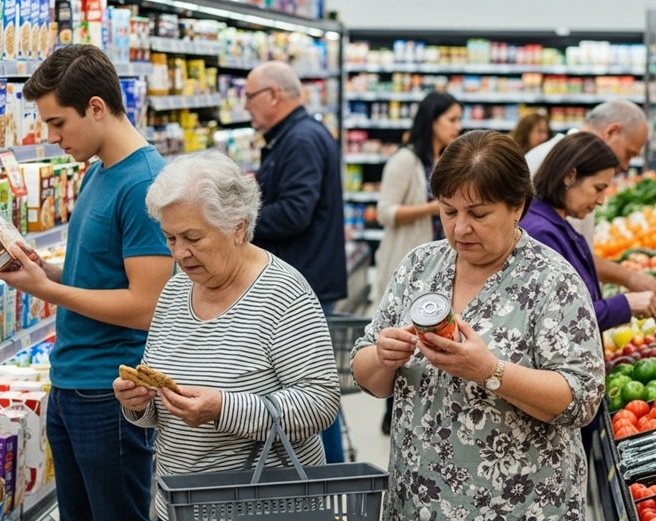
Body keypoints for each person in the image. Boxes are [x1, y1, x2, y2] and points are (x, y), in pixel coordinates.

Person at [352, 130, 604, 519]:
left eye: (478, 214)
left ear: (517, 206)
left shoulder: (553, 282)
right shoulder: (419, 266)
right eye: (449, 211)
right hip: (419, 501)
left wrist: (490, 371)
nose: (460, 229)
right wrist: (383, 356)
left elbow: (581, 399)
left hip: (519, 505)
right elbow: (365, 372)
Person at [0, 45, 175, 521]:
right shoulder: (98, 172)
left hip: (111, 392)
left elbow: (146, 306)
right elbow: (96, 276)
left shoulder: (145, 185)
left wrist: (45, 290)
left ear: (95, 107)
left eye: (57, 122)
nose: (51, 137)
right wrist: (41, 270)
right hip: (70, 383)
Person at [112, 150, 340, 521]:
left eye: (192, 237)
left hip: (264, 509)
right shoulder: (175, 290)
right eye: (170, 238)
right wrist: (138, 402)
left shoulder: (283, 294)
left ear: (237, 227)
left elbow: (320, 402)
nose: (180, 253)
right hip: (178, 505)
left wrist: (223, 409)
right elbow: (161, 397)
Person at [244, 60, 347, 462]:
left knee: (309, 391)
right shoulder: (294, 136)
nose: (245, 106)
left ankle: (326, 479)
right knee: (307, 385)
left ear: (273, 95)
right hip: (308, 275)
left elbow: (294, 212)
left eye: (250, 96)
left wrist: (238, 220)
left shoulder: (301, 139)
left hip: (305, 283)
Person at [373, 91, 462, 435]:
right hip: (409, 262)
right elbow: (385, 212)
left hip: (444, 264)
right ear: (431, 121)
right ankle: (393, 408)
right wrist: (437, 207)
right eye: (451, 119)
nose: (457, 126)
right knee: (402, 335)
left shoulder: (444, 158)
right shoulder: (405, 160)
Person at [525, 100, 656, 299]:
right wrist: (625, 296)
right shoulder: (548, 164)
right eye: (629, 154)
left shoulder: (578, 169)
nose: (626, 166)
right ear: (612, 132)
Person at [523, 132, 656, 331]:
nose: (601, 200)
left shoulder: (556, 224)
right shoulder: (542, 234)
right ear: (570, 177)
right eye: (598, 188)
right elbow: (560, 320)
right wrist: (626, 304)